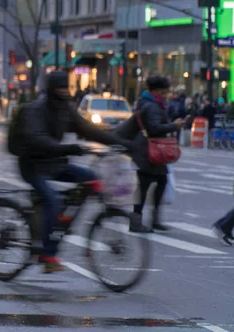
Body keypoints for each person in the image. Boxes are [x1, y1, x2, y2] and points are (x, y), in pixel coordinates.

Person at [18, 71, 134, 273]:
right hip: (32, 166)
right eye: (60, 87)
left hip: (55, 163)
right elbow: (37, 139)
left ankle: (62, 214)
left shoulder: (65, 110)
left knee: (91, 179)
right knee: (52, 200)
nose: (64, 91)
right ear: (52, 89)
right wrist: (69, 149)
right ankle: (47, 254)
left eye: (66, 87)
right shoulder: (36, 110)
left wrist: (123, 144)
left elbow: (90, 130)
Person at [128, 76, 185, 233]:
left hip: (150, 152)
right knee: (145, 186)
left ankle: (151, 219)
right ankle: (138, 221)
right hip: (149, 152)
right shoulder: (152, 106)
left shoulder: (149, 103)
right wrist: (174, 125)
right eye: (163, 91)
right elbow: (154, 128)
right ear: (156, 91)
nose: (166, 94)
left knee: (159, 182)